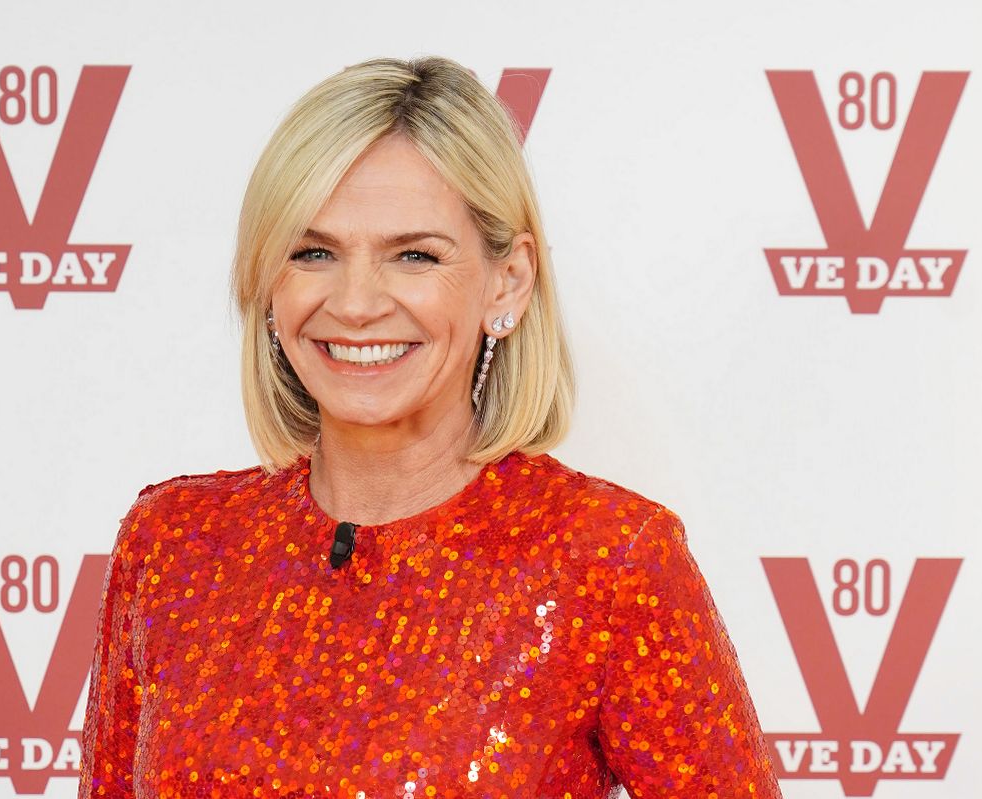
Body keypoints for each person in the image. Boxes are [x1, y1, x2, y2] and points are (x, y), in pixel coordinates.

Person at [78, 55, 782, 799]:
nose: (356, 303)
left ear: (507, 281)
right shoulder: (173, 544)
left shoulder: (608, 560)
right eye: (313, 253)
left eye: (414, 255)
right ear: (266, 281)